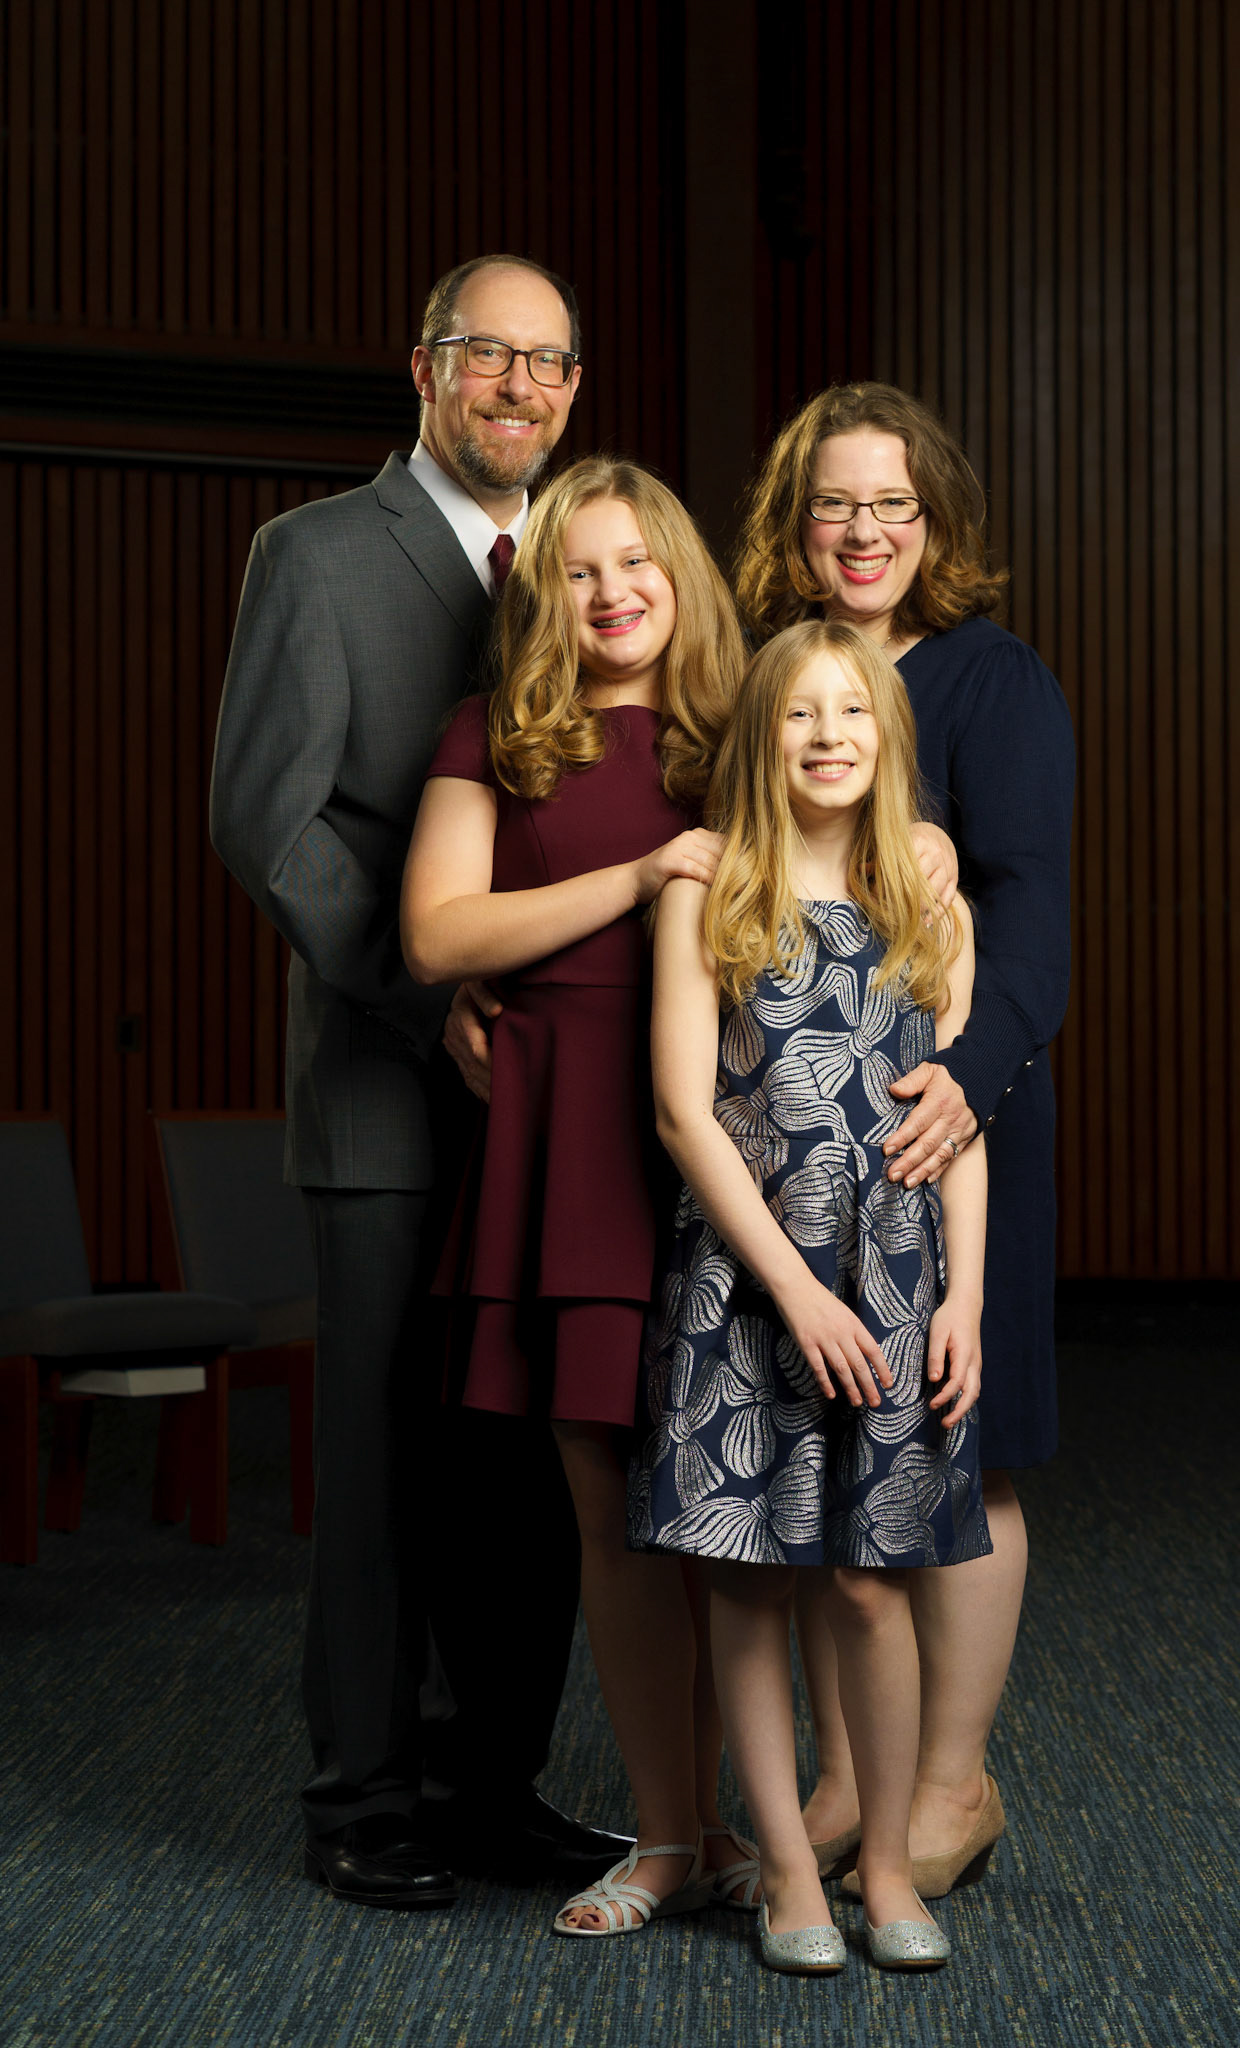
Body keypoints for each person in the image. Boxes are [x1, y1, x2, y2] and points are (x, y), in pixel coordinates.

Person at [210, 254, 628, 1907]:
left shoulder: (589, 565)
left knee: (529, 1465)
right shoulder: (314, 560)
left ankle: (496, 1781)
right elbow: (267, 822)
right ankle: (364, 1798)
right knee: (386, 1466)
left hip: (562, 1110)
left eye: (551, 363)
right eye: (488, 358)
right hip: (395, 1100)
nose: (521, 388)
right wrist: (417, 996)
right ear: (424, 370)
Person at [401, 457, 756, 1938]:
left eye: (638, 566)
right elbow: (436, 932)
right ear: (548, 592)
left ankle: (752, 1831)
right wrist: (638, 875)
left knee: (735, 1519)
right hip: (567, 1164)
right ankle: (668, 1840)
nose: (612, 595)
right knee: (610, 1518)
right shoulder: (496, 734)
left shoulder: (742, 733)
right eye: (582, 571)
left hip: (727, 1150)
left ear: (680, 574)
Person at [733, 384, 1074, 1901]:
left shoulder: (996, 683)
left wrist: (966, 1077)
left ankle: (950, 1788)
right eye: (833, 503)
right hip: (791, 1141)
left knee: (963, 1442)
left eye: (892, 504)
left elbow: (1036, 914)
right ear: (794, 526)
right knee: (819, 1456)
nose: (862, 531)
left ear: (932, 523)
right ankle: (843, 1781)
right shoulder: (769, 676)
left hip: (955, 1117)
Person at [631, 620, 990, 1974]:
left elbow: (958, 1120)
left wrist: (955, 1302)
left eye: (855, 711)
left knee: (870, 1588)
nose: (830, 733)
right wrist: (792, 1289)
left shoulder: (928, 900)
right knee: (752, 1588)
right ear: (762, 739)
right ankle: (786, 1867)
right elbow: (681, 1108)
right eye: (801, 715)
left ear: (888, 740)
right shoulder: (711, 888)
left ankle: (885, 1862)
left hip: (896, 1289)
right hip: (751, 1284)